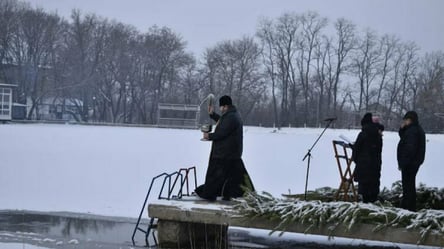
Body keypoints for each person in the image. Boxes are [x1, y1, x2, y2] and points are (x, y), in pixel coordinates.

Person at [195, 95, 255, 201]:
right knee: (235, 176)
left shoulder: (231, 117)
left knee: (216, 176)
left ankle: (209, 193)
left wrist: (208, 136)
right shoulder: (232, 115)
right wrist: (212, 115)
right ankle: (241, 192)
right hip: (231, 153)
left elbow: (222, 132)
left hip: (224, 154)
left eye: (221, 107)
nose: (220, 109)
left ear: (225, 106)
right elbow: (222, 122)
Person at [397, 111, 426, 211]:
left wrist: (403, 163)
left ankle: (408, 207)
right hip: (414, 162)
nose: (404, 122)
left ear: (410, 120)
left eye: (406, 120)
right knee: (409, 185)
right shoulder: (414, 129)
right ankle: (408, 206)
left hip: (410, 163)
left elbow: (409, 148)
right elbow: (405, 138)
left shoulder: (413, 131)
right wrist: (402, 129)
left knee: (408, 186)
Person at [352, 113, 382, 203]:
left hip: (364, 164)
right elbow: (379, 149)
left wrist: (357, 160)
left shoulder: (362, 134)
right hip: (375, 164)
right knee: (373, 186)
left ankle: (365, 205)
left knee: (364, 188)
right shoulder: (378, 134)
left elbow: (356, 149)